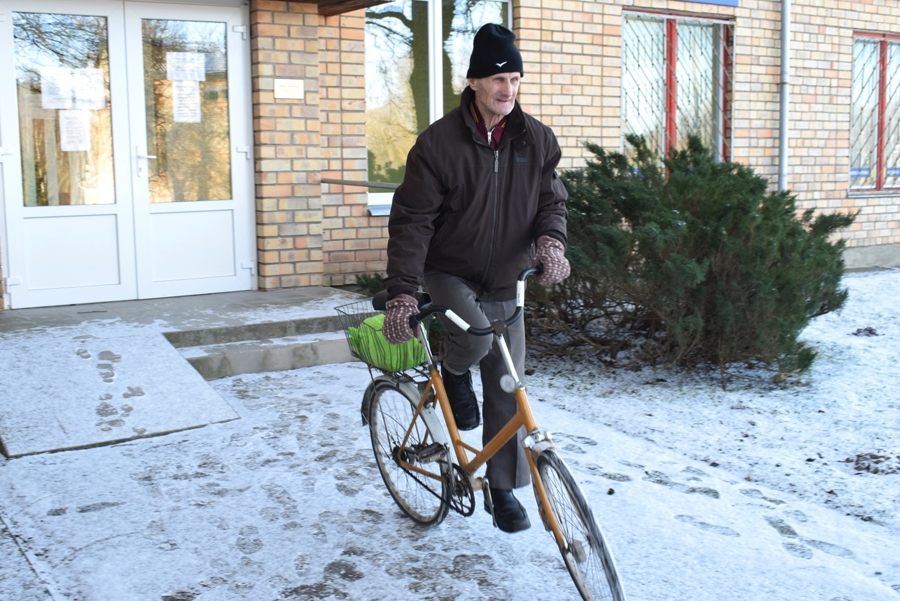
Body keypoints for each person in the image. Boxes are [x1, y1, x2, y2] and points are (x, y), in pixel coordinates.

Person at [381, 23, 570, 533]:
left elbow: (551, 201)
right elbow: (412, 221)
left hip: (507, 280)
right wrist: (401, 291)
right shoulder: (438, 144)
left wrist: (552, 241)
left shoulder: (537, 140)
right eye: (497, 79)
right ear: (473, 82)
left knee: (509, 388)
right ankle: (455, 370)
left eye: (514, 78)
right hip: (449, 274)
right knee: (477, 336)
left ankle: (502, 490)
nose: (507, 89)